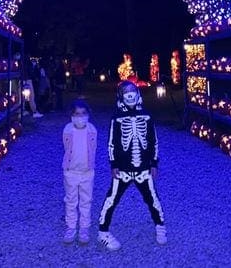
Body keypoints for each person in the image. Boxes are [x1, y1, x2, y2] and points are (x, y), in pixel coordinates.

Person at [97, 80, 167, 251]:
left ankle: (160, 227)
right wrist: (113, 164)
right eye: (125, 92)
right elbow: (112, 143)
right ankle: (103, 232)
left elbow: (153, 141)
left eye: (132, 91)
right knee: (112, 199)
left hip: (144, 168)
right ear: (120, 96)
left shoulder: (147, 116)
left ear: (138, 94)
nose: (129, 94)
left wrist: (154, 163)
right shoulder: (117, 118)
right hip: (123, 170)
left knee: (153, 199)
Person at [62, 99, 97, 244]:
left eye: (83, 113)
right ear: (72, 115)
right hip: (71, 172)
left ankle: (84, 227)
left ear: (88, 114)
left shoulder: (92, 130)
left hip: (87, 172)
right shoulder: (68, 130)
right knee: (70, 200)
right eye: (77, 113)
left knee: (86, 200)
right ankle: (71, 227)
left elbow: (93, 148)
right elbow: (66, 147)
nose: (80, 116)